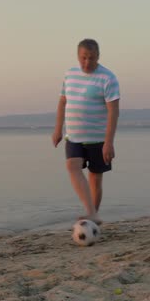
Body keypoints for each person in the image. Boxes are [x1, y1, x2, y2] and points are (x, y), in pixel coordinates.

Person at [52, 39, 120, 225]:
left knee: (95, 178)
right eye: (83, 58)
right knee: (72, 167)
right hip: (74, 136)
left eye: (91, 58)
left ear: (98, 57)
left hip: (98, 138)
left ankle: (92, 218)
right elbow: (62, 101)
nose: (87, 62)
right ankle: (91, 212)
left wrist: (109, 142)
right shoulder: (70, 74)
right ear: (78, 56)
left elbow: (114, 112)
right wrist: (58, 128)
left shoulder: (108, 78)